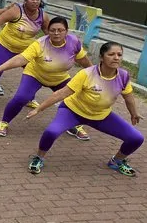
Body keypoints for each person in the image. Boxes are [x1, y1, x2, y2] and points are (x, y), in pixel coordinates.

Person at [26, 42, 144, 175]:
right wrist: (38, 109)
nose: (116, 57)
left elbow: (128, 97)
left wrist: (134, 113)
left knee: (136, 138)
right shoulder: (86, 74)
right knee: (51, 132)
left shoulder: (123, 76)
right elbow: (61, 93)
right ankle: (39, 158)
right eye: (111, 54)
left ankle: (116, 161)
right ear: (101, 57)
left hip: (101, 116)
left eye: (119, 55)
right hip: (72, 111)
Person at [0, 17, 93, 138]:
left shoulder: (74, 42)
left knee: (76, 98)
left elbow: (82, 59)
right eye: (53, 30)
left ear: (66, 31)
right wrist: (0, 68)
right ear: (48, 31)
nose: (56, 33)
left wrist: (94, 73)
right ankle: (4, 123)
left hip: (60, 78)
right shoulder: (40, 43)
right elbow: (21, 58)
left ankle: (74, 126)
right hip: (35, 75)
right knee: (21, 98)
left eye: (60, 30)